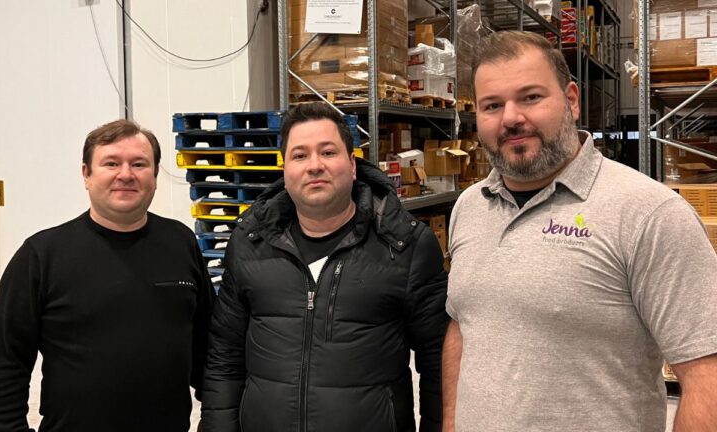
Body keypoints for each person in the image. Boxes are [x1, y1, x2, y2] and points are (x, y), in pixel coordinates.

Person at [442, 30, 717, 432]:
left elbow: (706, 374)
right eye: (492, 105)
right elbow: (462, 327)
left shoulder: (648, 213)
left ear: (571, 100)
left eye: (531, 97)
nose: (511, 118)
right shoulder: (469, 207)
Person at [200, 102, 448, 432]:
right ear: (285, 169)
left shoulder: (405, 246)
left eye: (328, 152)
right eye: (300, 156)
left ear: (352, 164)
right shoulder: (249, 243)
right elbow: (224, 358)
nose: (314, 166)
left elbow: (438, 362)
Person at [0, 119, 215, 432]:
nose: (126, 174)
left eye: (139, 164)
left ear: (155, 176)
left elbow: (207, 348)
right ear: (86, 175)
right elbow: (4, 366)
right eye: (111, 163)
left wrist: (215, 421)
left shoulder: (180, 243)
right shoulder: (42, 255)